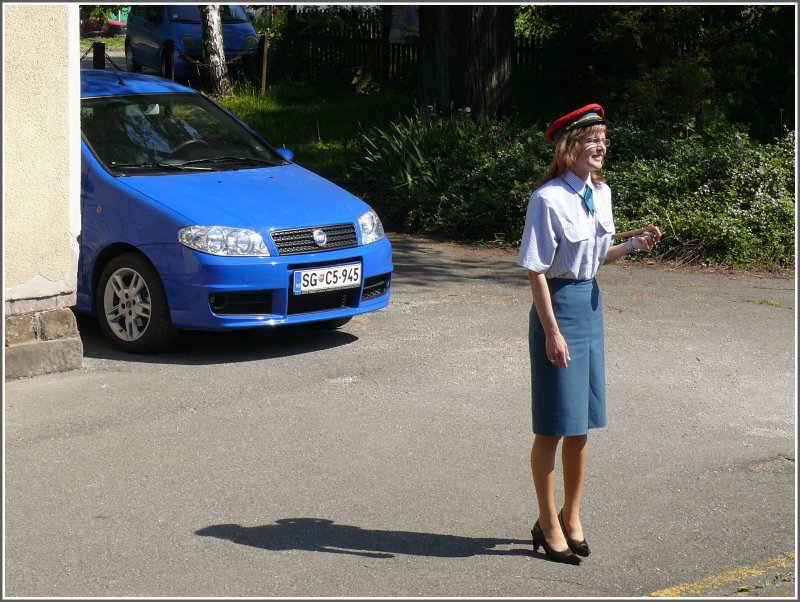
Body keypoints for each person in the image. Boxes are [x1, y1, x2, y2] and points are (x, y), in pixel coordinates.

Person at [518, 103, 661, 564]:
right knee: (553, 425)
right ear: (568, 147)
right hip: (558, 310)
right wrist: (551, 332)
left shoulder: (601, 192)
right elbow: (537, 271)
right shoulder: (547, 199)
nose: (601, 147)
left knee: (581, 425)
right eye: (591, 140)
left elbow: (595, 258)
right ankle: (547, 522)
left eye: (603, 140)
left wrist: (632, 245)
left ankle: (571, 516)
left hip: (590, 307)